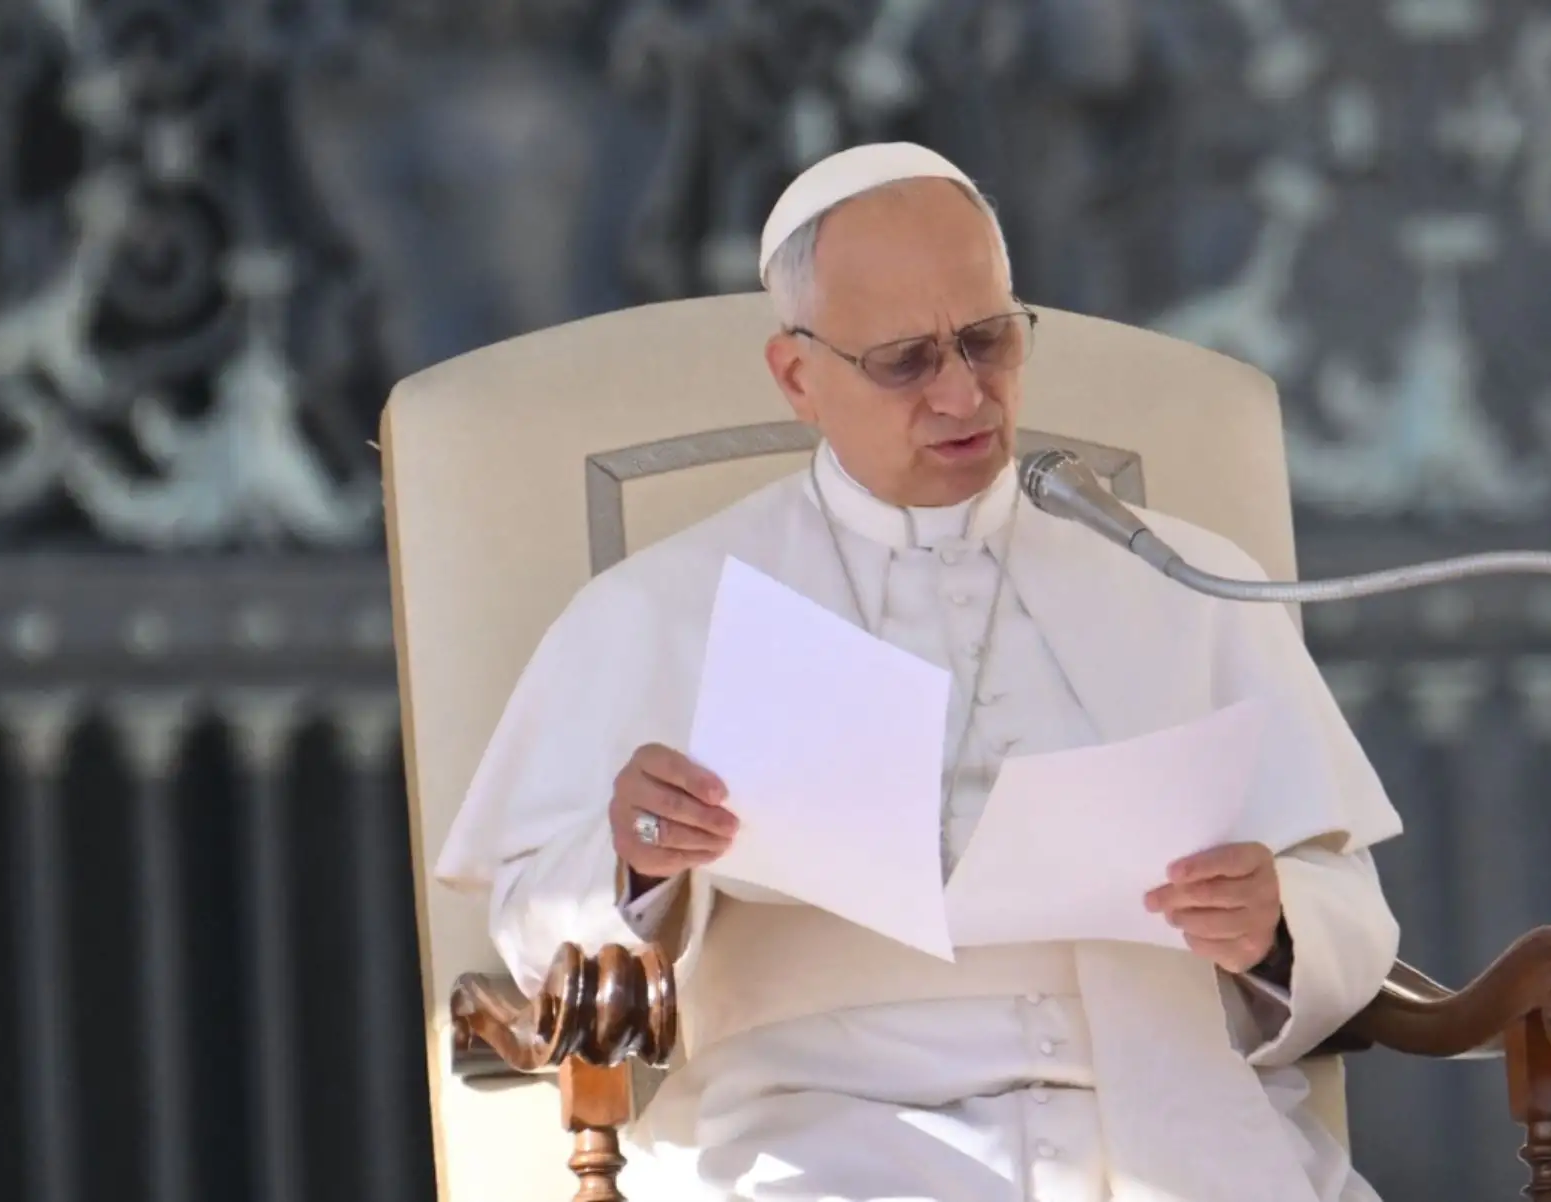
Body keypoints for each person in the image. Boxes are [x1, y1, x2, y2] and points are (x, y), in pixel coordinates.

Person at [435, 142, 1404, 1201]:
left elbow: (1348, 903)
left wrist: (1273, 927)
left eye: (988, 340)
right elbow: (538, 940)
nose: (962, 394)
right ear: (798, 375)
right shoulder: (660, 607)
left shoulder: (1191, 579)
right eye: (904, 360)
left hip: (1169, 1117)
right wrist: (639, 859)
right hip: (818, 1131)